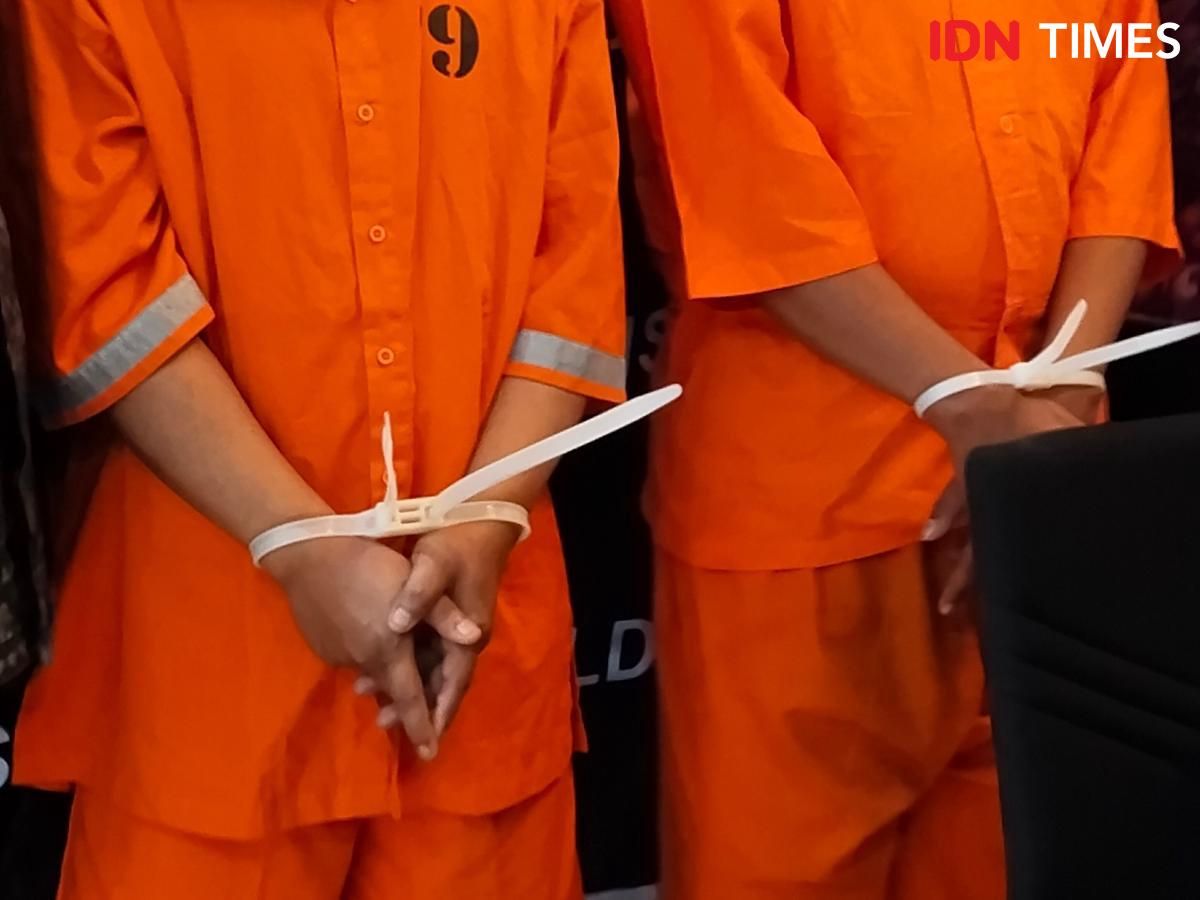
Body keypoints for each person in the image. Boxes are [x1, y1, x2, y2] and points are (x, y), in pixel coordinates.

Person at [10, 1, 625, 897]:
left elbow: (574, 276)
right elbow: (102, 292)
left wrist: (483, 525)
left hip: (473, 654)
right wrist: (296, 543)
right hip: (209, 666)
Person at [608, 1, 1179, 897]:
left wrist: (1051, 413)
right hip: (805, 501)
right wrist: (974, 407)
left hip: (1037, 488)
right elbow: (745, 185)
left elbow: (1123, 135)